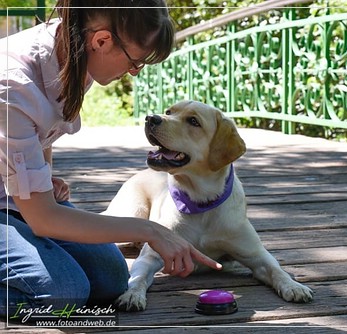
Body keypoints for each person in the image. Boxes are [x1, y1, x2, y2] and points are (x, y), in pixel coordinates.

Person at [0, 0, 221, 318]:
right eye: (136, 61)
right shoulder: (13, 85)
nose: (134, 72)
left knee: (111, 278)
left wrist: (41, 175)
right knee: (61, 294)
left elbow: (40, 129)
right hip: (18, 208)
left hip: (12, 199)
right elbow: (44, 219)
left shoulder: (76, 48)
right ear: (102, 41)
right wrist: (153, 231)